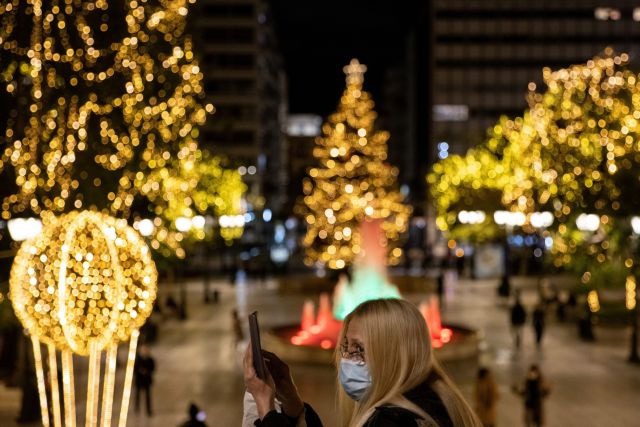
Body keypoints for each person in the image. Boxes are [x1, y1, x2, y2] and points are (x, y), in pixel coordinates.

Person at [244, 298, 482, 427]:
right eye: (345, 347)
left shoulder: (394, 422)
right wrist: (293, 404)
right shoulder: (429, 400)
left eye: (359, 349)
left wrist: (266, 408)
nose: (346, 360)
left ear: (393, 355)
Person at [134, 344, 155, 416]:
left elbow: (153, 368)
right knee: (138, 395)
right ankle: (137, 408)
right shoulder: (137, 360)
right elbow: (135, 369)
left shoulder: (150, 359)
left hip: (147, 380)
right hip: (139, 380)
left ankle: (148, 410)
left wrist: (147, 371)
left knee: (148, 396)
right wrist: (140, 371)